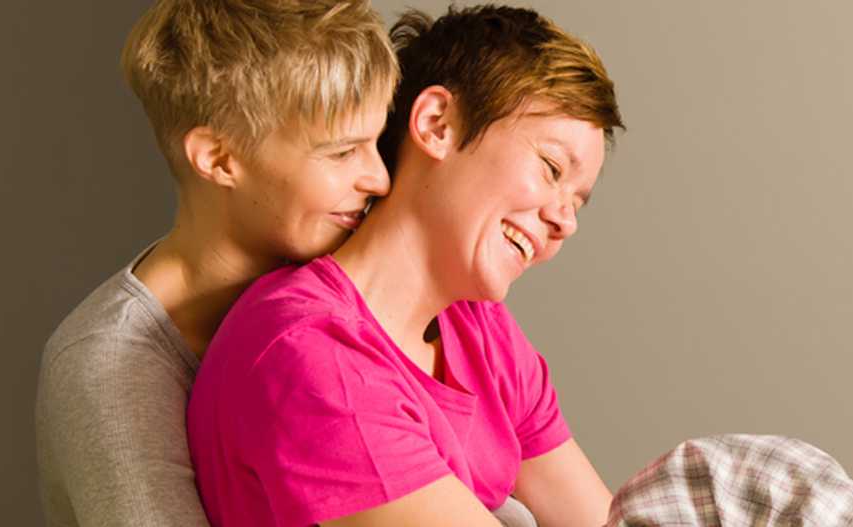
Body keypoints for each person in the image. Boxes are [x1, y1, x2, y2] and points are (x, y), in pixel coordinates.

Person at [187, 5, 623, 526]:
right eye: (551, 169)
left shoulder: (482, 333)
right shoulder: (312, 355)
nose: (564, 221)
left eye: (577, 203)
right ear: (437, 125)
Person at [34, 1, 398, 525]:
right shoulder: (106, 365)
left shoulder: (338, 292)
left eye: (376, 142)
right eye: (342, 152)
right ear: (219, 159)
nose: (380, 179)